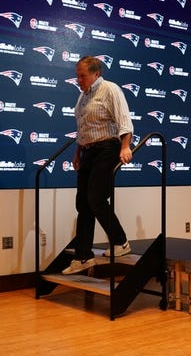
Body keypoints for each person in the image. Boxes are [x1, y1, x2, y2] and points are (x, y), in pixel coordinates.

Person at [62, 55, 134, 275]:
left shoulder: (110, 90)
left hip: (108, 148)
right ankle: (83, 257)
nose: (79, 80)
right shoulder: (82, 97)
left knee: (95, 198)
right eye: (77, 75)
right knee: (82, 202)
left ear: (96, 74)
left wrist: (125, 146)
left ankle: (120, 242)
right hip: (88, 151)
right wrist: (78, 153)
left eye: (82, 76)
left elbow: (124, 120)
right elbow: (83, 129)